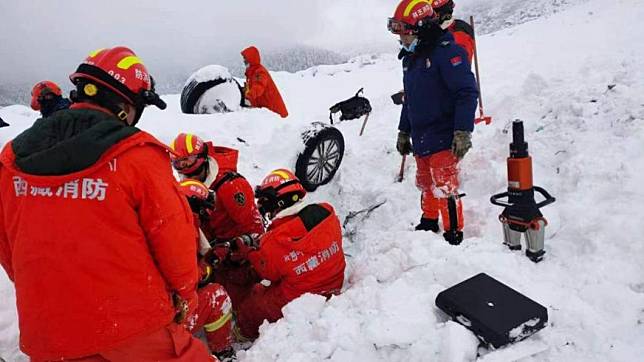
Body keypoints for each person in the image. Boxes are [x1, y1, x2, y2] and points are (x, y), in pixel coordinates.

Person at [0, 47, 215, 361]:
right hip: (132, 328)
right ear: (127, 105)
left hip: (48, 334)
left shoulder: (12, 160)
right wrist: (186, 295)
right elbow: (175, 242)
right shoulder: (137, 156)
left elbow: (8, 249)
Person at [388, 0, 479, 245]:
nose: (402, 41)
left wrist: (462, 130)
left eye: (406, 34)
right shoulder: (411, 60)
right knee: (426, 183)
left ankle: (453, 231)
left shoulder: (447, 52)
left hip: (443, 134)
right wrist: (403, 131)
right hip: (421, 137)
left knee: (444, 185)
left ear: (422, 28)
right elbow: (411, 100)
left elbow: (467, 92)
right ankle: (428, 220)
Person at [231, 169, 346, 340]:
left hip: (301, 297)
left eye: (264, 201)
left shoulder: (275, 239)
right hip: (335, 280)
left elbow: (267, 273)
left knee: (254, 302)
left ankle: (242, 335)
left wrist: (249, 252)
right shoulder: (326, 211)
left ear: (276, 203)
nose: (261, 206)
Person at [170, 133, 265, 308]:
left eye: (187, 161)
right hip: (210, 251)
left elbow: (256, 231)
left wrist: (232, 249)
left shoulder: (230, 187)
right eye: (178, 162)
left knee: (236, 303)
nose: (183, 167)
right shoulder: (183, 186)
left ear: (201, 159)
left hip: (236, 256)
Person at [178, 179, 237, 360]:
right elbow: (187, 279)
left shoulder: (157, 223)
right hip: (161, 325)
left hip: (129, 319)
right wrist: (208, 266)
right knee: (218, 296)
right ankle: (223, 352)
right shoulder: (184, 232)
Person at [241, 46, 288, 118]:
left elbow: (258, 87)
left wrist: (248, 97)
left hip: (274, 112)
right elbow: (251, 87)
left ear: (251, 59)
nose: (244, 61)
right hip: (266, 110)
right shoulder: (252, 72)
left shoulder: (260, 72)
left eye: (245, 58)